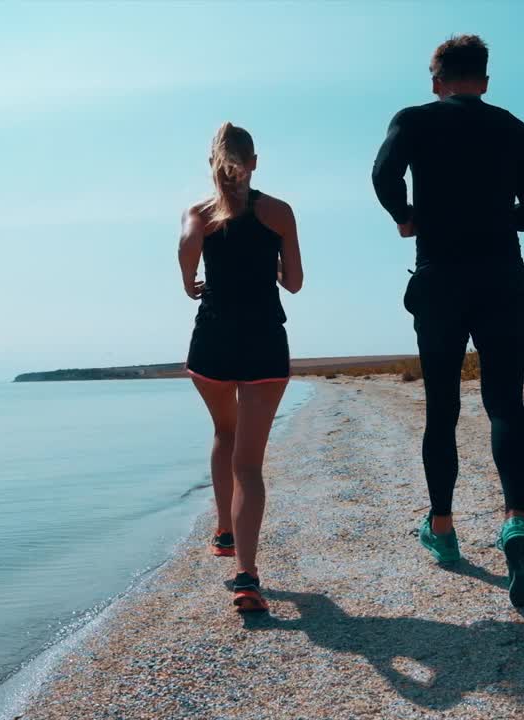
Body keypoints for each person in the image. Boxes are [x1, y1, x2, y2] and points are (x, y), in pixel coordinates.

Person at [371, 35, 524, 607]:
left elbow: (382, 177)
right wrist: (492, 215)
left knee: (442, 409)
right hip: (502, 278)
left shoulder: (414, 120)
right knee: (504, 404)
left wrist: (411, 216)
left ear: (437, 80)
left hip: (440, 281)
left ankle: (444, 533)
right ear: (485, 79)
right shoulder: (514, 128)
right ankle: (517, 524)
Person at [179, 122, 304, 613]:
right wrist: (268, 267)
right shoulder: (278, 213)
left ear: (212, 165)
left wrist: (191, 280)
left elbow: (187, 257)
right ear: (254, 162)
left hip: (212, 343)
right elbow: (293, 282)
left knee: (223, 434)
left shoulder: (199, 212)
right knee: (249, 465)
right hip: (264, 345)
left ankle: (224, 533)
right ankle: (246, 577)